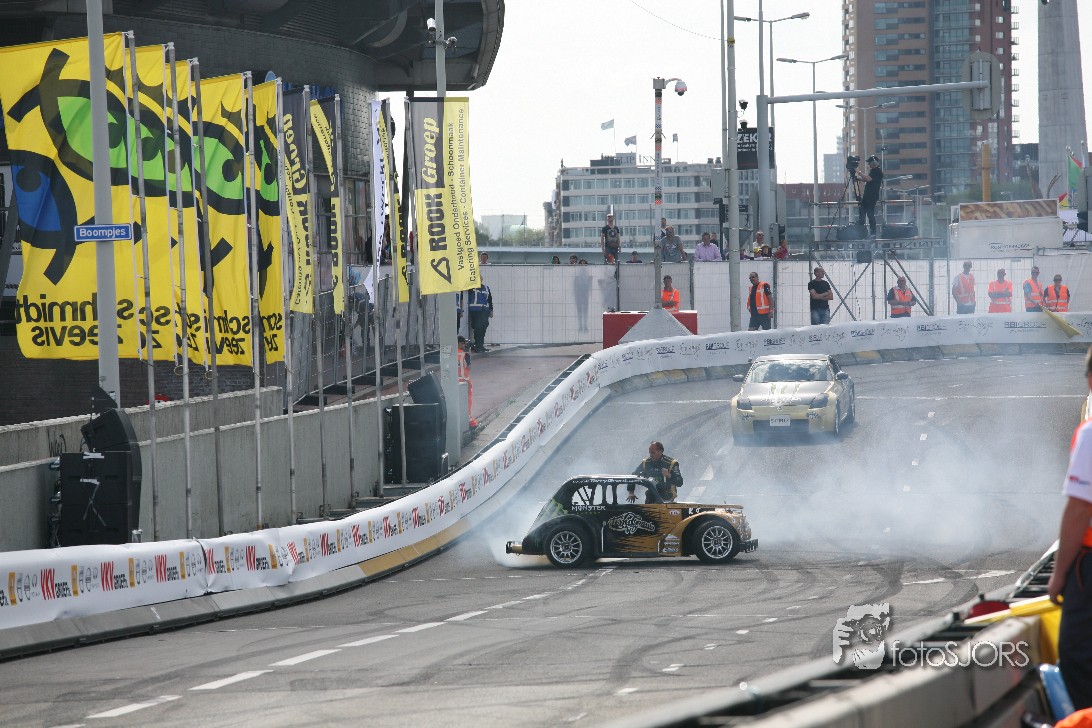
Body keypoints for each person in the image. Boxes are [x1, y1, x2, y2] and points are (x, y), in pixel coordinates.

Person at [1047, 347, 1092, 710]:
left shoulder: (1090, 433)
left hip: (1089, 565)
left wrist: (1059, 574)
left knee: (1076, 652)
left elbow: (1079, 508)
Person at [854, 154, 884, 238]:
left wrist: (859, 172)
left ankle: (873, 233)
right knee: (862, 213)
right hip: (867, 196)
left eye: (870, 163)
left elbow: (869, 179)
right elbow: (868, 179)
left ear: (874, 162)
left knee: (870, 215)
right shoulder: (873, 171)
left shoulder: (878, 171)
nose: (869, 164)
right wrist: (859, 178)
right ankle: (861, 231)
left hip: (872, 197)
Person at [467, 279, 493, 353]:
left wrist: (491, 310)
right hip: (476, 310)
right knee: (478, 328)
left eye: (480, 279)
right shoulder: (471, 287)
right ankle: (477, 346)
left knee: (483, 328)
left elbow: (490, 300)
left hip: (485, 311)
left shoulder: (486, 288)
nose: (479, 280)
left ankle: (481, 345)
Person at [457, 336, 477, 428]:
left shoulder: (451, 354)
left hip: (454, 382)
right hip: (465, 381)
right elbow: (468, 367)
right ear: (459, 343)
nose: (464, 345)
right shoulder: (465, 355)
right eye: (463, 343)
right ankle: (470, 422)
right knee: (467, 402)